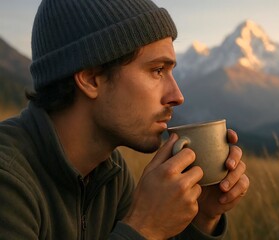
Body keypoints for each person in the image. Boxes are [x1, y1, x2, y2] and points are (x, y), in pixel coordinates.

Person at [0, 0, 249, 239]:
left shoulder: (110, 175)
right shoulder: (8, 178)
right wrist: (144, 229)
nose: (177, 96)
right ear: (91, 79)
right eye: (157, 70)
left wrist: (202, 216)